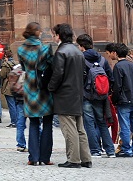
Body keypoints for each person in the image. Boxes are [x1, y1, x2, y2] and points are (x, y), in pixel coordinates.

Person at [48, 23, 90, 168]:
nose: (53, 37)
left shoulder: (61, 52)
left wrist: (50, 88)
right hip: (77, 93)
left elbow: (58, 74)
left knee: (69, 128)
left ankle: (73, 159)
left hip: (65, 94)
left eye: (54, 34)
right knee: (80, 127)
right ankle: (86, 158)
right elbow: (84, 73)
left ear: (59, 36)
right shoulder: (78, 51)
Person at [18, 22, 54, 166]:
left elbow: (22, 67)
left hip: (29, 86)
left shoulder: (21, 49)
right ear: (37, 32)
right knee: (47, 122)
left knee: (33, 122)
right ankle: (45, 158)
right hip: (44, 86)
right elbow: (51, 65)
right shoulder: (45, 48)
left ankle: (33, 157)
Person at [76, 34, 115, 158]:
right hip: (101, 95)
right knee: (102, 122)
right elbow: (111, 78)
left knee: (89, 123)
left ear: (82, 46)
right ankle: (110, 150)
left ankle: (95, 150)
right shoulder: (102, 59)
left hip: (86, 95)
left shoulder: (80, 58)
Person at [108, 42, 133, 157]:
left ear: (115, 53)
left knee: (125, 125)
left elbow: (117, 86)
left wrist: (115, 99)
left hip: (124, 100)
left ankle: (126, 149)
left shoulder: (118, 66)